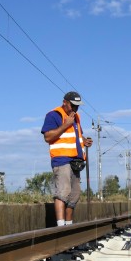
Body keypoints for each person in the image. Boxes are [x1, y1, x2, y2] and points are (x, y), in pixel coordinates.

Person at [41, 91, 93, 226]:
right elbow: (48, 137)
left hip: (76, 161)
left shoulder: (76, 117)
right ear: (65, 102)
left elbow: (74, 137)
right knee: (63, 193)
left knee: (74, 196)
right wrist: (65, 124)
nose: (75, 108)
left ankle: (69, 228)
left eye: (77, 106)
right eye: (73, 105)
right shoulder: (54, 115)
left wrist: (83, 140)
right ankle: (60, 227)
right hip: (62, 159)